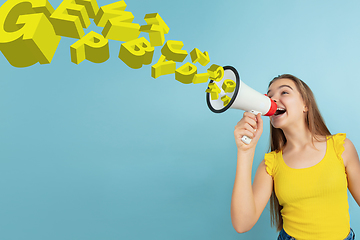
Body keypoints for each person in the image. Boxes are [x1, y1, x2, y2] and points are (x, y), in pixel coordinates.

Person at [230, 74, 360, 240]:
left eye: (284, 92)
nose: (273, 100)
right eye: (269, 96)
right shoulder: (271, 164)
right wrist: (245, 151)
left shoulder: (341, 147)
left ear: (305, 105)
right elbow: (242, 224)